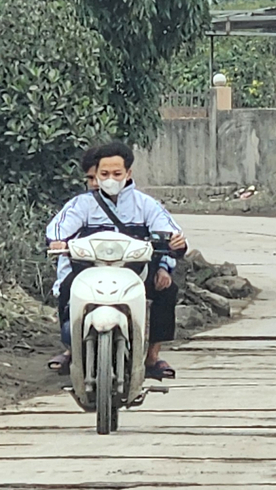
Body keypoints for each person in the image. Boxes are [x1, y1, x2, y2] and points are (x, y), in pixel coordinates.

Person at [45, 141, 188, 380]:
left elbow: (169, 232)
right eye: (104, 174)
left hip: (136, 274)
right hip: (89, 273)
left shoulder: (147, 205)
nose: (110, 178)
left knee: (167, 290)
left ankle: (153, 356)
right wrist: (57, 241)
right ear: (95, 174)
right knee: (68, 287)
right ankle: (71, 349)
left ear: (128, 173)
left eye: (116, 173)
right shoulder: (82, 205)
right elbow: (58, 227)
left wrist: (173, 248)